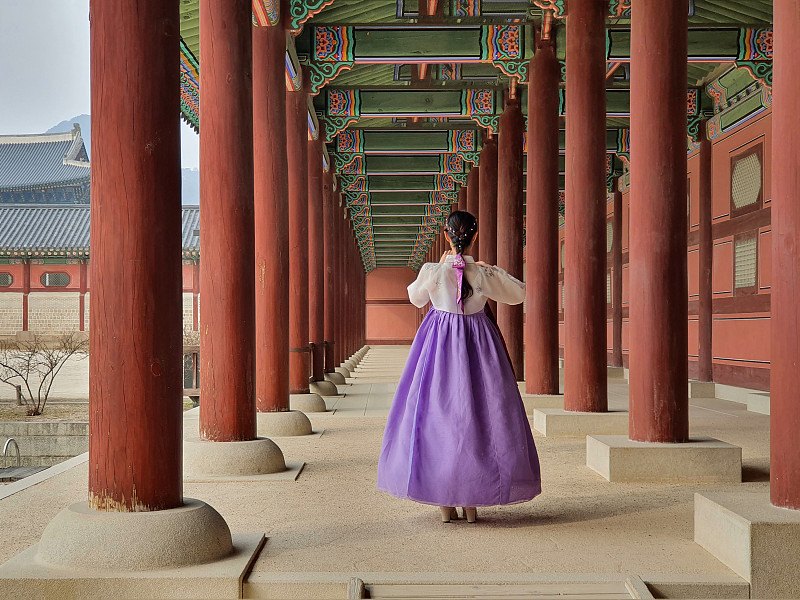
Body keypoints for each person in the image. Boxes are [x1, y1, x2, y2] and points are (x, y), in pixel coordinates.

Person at [377, 210, 541, 523]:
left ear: (446, 235)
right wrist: (487, 268)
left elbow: (414, 298)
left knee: (437, 416)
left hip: (438, 346)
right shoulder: (481, 275)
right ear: (474, 236)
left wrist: (440, 267)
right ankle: (471, 503)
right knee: (479, 416)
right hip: (479, 345)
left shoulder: (433, 270)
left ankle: (444, 503)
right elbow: (519, 293)